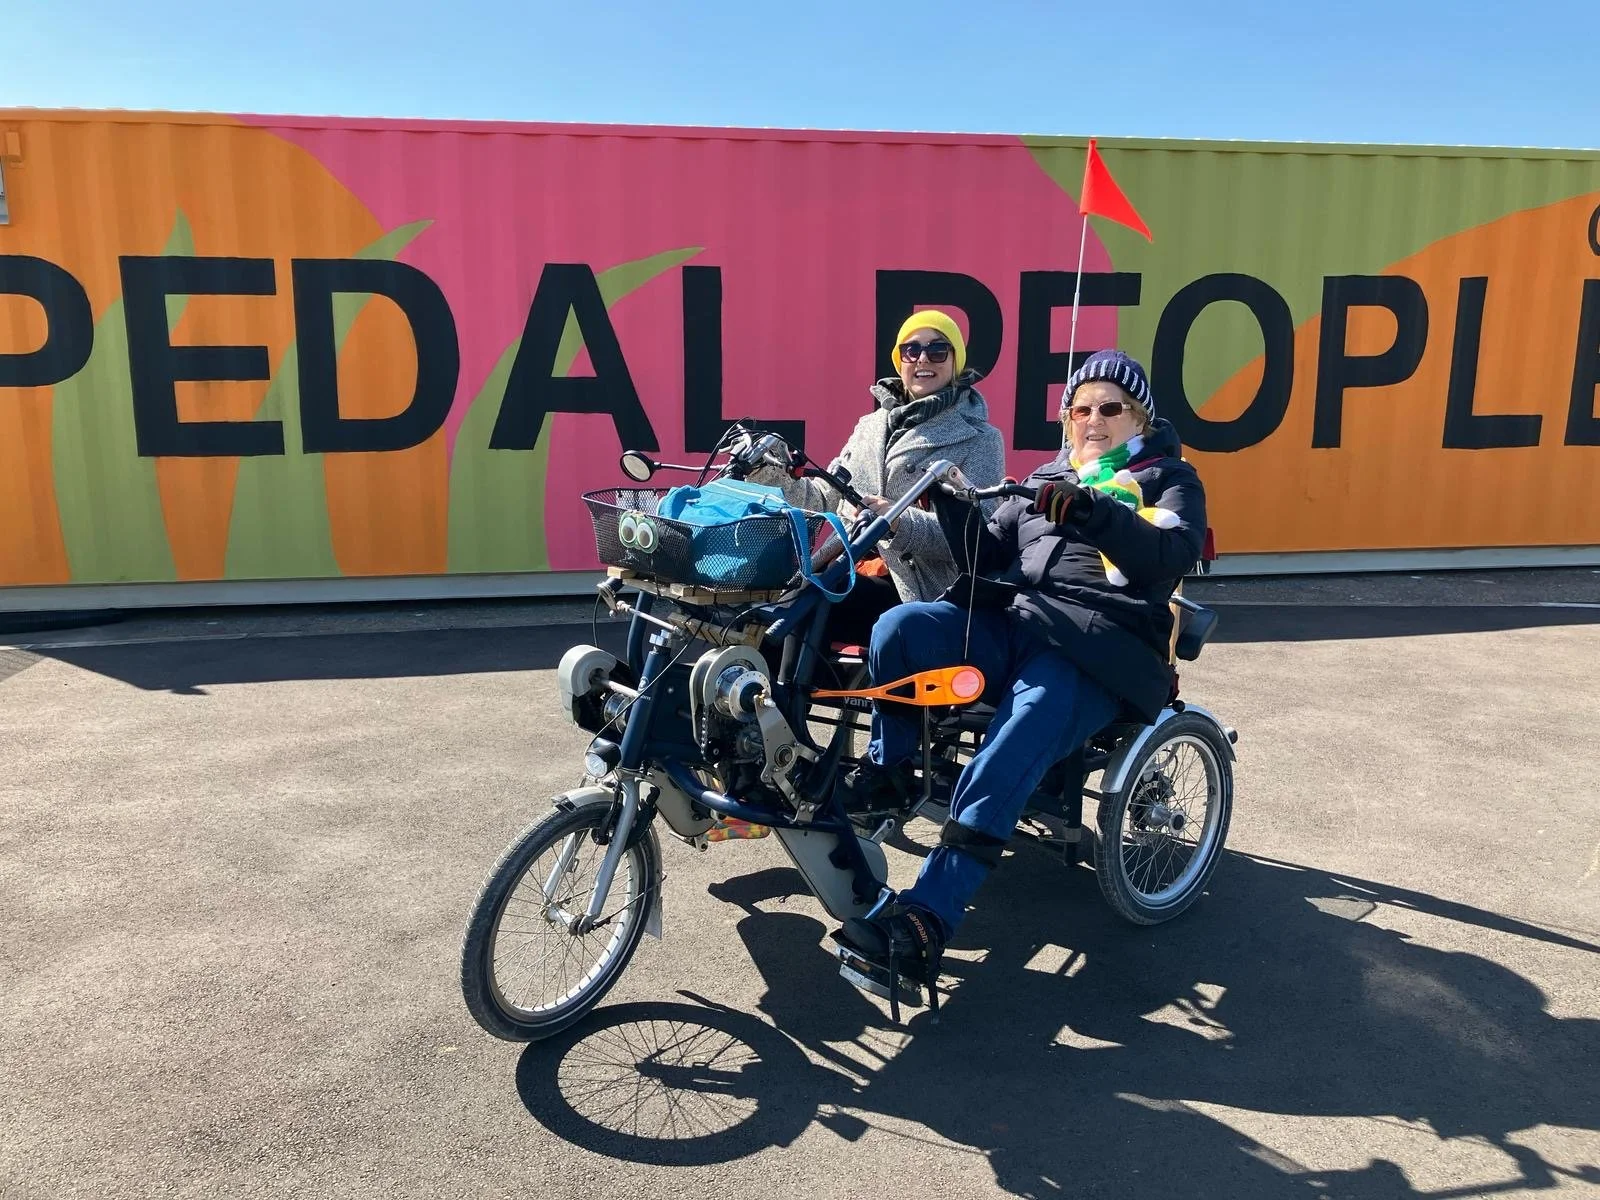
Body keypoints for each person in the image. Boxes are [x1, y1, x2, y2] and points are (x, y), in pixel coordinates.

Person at [832, 348, 1208, 999]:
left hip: (1097, 650)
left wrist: (1092, 509)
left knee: (1015, 741)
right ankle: (891, 775)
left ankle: (926, 921)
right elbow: (987, 551)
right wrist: (954, 508)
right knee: (899, 629)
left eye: (1109, 408)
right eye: (1081, 408)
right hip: (1015, 626)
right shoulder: (1047, 474)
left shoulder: (1167, 477)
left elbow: (1167, 555)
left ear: (1137, 414)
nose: (1093, 419)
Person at [751, 310, 1005, 647]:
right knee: (769, 616)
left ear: (956, 361)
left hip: (921, 585)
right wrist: (770, 472)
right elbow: (821, 499)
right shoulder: (870, 427)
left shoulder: (981, 438)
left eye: (938, 350)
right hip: (849, 566)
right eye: (911, 350)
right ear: (899, 361)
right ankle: (769, 698)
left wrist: (898, 522)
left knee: (813, 608)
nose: (923, 359)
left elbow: (980, 539)